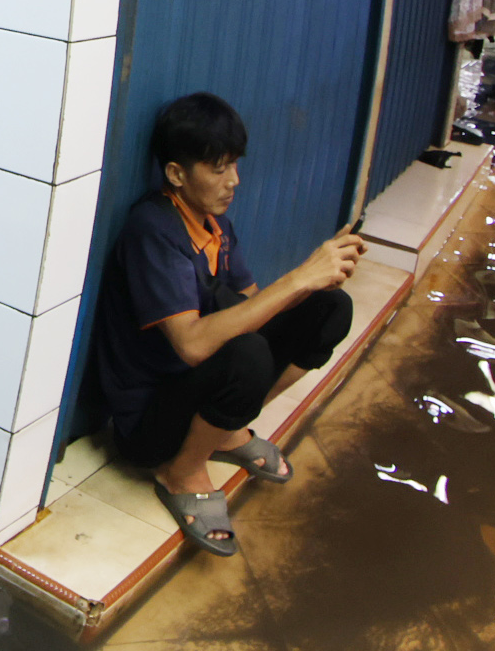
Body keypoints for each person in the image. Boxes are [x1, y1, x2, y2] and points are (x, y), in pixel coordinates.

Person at [90, 93, 363, 557]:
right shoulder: (153, 230)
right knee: (247, 353)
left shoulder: (216, 226)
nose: (233, 181)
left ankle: (225, 432)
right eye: (218, 169)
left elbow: (256, 306)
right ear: (176, 174)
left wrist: (315, 282)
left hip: (192, 391)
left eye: (234, 165)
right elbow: (193, 346)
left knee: (330, 309)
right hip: (148, 425)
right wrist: (298, 276)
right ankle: (181, 472)